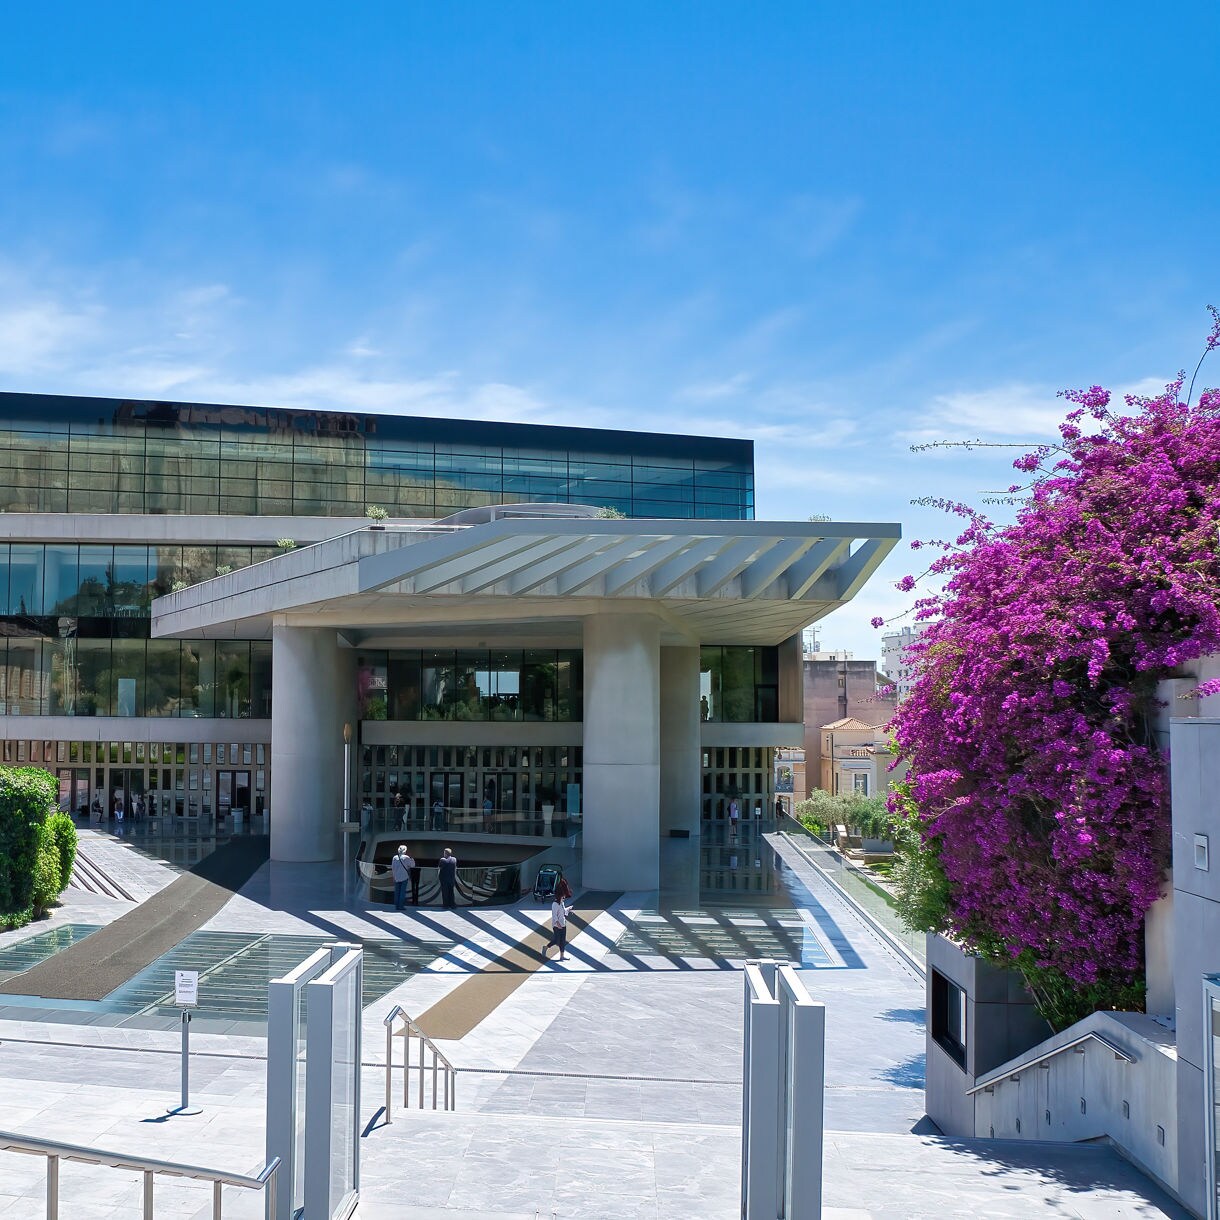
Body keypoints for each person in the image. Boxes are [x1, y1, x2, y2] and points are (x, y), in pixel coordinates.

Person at [545, 878, 573, 962]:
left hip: (563, 923)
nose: (564, 898)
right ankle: (546, 947)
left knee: (562, 941)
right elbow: (554, 916)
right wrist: (558, 924)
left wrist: (568, 909)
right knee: (556, 940)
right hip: (557, 925)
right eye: (563, 896)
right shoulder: (555, 904)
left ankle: (562, 956)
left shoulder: (562, 903)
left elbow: (563, 912)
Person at [390, 845, 414, 911]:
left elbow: (393, 868)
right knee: (402, 892)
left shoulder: (395, 857)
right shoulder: (406, 857)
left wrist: (393, 876)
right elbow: (412, 865)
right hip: (404, 877)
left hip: (396, 877)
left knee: (397, 892)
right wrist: (411, 858)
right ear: (405, 850)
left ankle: (396, 906)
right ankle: (401, 906)